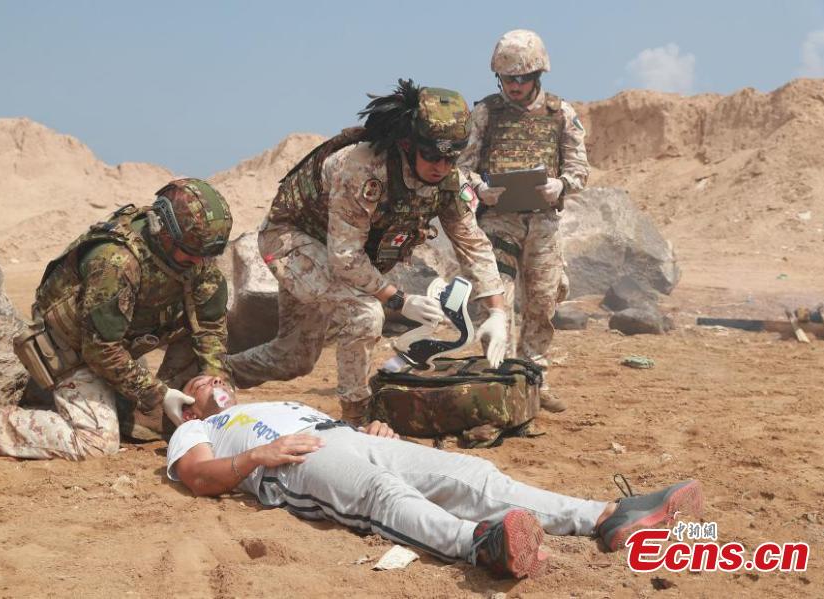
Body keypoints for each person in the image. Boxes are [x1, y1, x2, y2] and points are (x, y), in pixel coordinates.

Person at [167, 374, 704, 579]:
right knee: (380, 495)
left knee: (472, 473)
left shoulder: (276, 398)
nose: (213, 381)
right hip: (290, 462)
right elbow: (195, 475)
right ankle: (480, 546)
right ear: (188, 407)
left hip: (343, 436)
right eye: (199, 381)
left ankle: (608, 517)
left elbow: (336, 427)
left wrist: (368, 427)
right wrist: (260, 456)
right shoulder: (196, 429)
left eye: (217, 375)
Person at [225, 80, 508, 426]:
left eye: (451, 157)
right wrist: (399, 300)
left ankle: (215, 372)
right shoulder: (363, 169)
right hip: (290, 240)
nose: (441, 167)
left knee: (293, 358)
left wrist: (496, 312)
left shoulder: (449, 182)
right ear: (408, 144)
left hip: (338, 254)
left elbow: (473, 243)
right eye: (432, 155)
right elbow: (345, 256)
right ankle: (357, 418)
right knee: (364, 313)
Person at [0, 179, 234, 460]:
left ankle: (144, 415)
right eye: (190, 254)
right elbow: (101, 349)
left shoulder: (194, 255)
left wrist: (215, 377)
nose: (198, 263)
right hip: (73, 351)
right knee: (96, 444)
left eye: (206, 255)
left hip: (121, 341)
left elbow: (209, 327)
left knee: (192, 377)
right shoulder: (116, 263)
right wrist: (158, 393)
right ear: (162, 231)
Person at [458, 30, 590, 413]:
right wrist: (479, 187)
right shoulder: (484, 113)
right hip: (498, 222)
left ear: (538, 75)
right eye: (507, 79)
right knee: (494, 301)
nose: (514, 86)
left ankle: (534, 378)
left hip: (544, 223)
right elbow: (461, 168)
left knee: (543, 302)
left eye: (522, 78)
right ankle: (499, 380)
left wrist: (561, 184)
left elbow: (580, 168)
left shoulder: (560, 113)